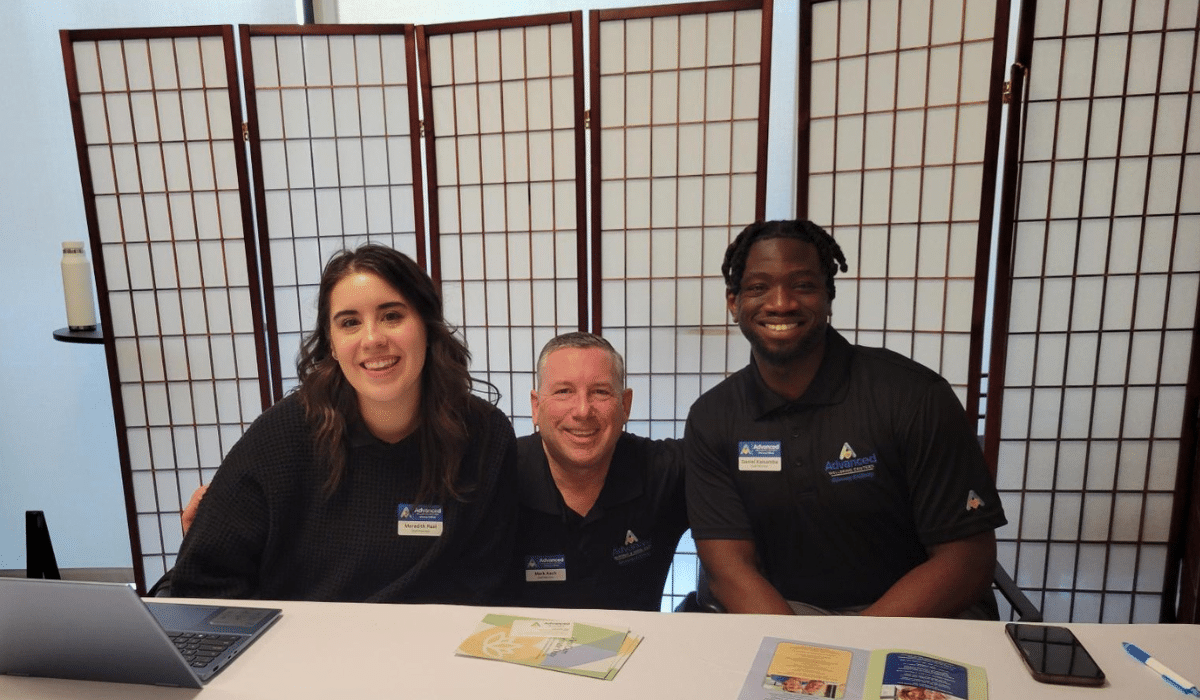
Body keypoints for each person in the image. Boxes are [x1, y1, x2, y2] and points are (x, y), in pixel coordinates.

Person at [684, 219, 1007, 617]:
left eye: (803, 285)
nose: (780, 303)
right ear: (733, 302)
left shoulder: (914, 396)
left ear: (828, 297)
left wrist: (852, 649)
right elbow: (729, 569)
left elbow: (966, 561)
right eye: (758, 287)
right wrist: (801, 654)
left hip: (916, 618)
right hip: (783, 616)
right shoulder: (712, 418)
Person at [170, 244, 517, 603]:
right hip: (300, 648)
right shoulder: (282, 435)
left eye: (392, 316)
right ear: (332, 344)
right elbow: (203, 578)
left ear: (427, 327)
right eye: (350, 323)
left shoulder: (483, 435)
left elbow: (487, 583)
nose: (372, 339)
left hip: (430, 647)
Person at [508, 332, 688, 611]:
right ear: (536, 406)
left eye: (600, 392)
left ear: (625, 405)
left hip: (636, 648)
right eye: (564, 391)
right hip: (516, 648)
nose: (582, 411)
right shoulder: (498, 473)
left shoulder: (664, 470)